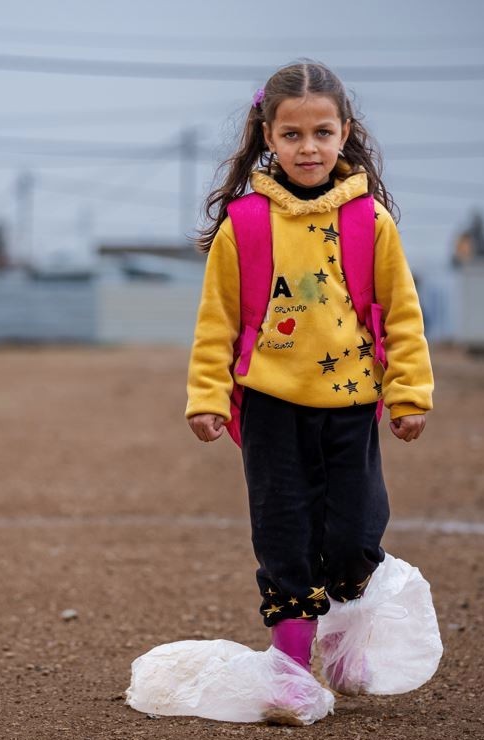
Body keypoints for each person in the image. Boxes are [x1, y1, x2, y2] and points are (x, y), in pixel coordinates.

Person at [185, 61, 434, 694]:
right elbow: (215, 321)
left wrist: (408, 392)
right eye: (292, 134)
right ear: (267, 137)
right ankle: (292, 673)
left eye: (322, 132)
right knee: (283, 535)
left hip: (352, 406)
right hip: (270, 406)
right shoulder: (244, 226)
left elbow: (402, 313)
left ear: (345, 132)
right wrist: (208, 396)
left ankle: (346, 645)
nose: (308, 147)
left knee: (354, 537)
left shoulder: (369, 221)